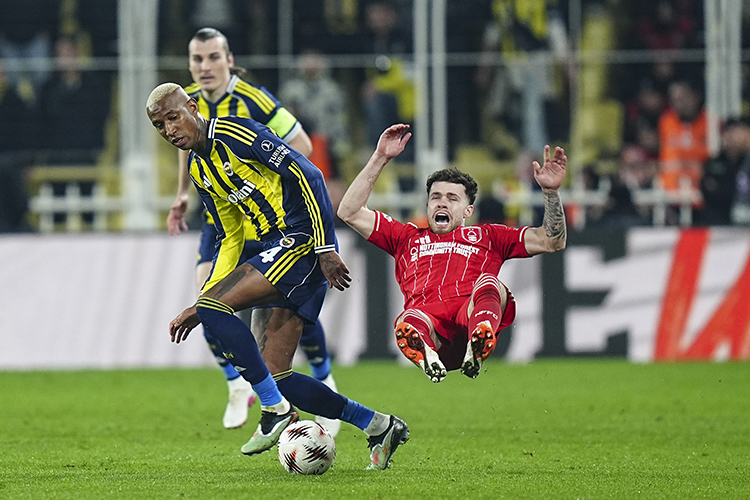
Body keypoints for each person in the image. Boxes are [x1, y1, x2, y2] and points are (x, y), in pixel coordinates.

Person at [147, 83, 409, 469]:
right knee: (276, 375)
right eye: (160, 125)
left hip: (301, 241)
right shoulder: (200, 169)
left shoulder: (237, 133)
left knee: (218, 314)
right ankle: (378, 425)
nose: (169, 129)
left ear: (193, 107)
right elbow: (230, 237)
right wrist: (204, 300)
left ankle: (275, 410)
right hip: (276, 249)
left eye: (173, 117)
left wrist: (324, 247)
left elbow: (310, 175)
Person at [166, 27, 340, 435]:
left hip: (267, 221)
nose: (205, 66)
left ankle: (324, 376)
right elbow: (186, 150)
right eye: (197, 59)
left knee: (289, 303)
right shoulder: (183, 101)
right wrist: (183, 194)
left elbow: (302, 146)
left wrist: (268, 185)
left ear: (229, 60)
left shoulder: (254, 100)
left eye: (213, 57)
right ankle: (235, 384)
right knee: (207, 295)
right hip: (223, 219)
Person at [338, 124, 567, 382]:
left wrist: (551, 193)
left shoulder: (489, 236)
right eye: (436, 197)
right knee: (409, 320)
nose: (442, 202)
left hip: (470, 316)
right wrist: (380, 157)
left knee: (490, 284)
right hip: (432, 332)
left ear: (468, 211)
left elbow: (551, 241)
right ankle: (426, 353)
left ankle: (478, 339)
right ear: (428, 205)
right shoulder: (406, 237)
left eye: (452, 198)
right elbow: (349, 212)